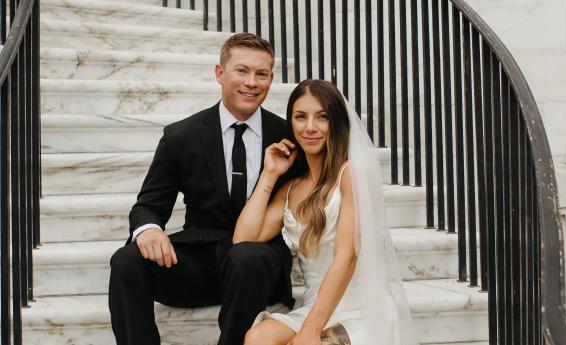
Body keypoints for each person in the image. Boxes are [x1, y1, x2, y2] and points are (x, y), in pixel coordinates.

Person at [108, 33, 294, 345]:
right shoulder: (181, 135)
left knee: (246, 258)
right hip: (201, 259)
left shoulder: (287, 135)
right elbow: (148, 206)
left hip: (259, 266)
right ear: (220, 73)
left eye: (261, 74)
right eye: (242, 71)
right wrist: (149, 230)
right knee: (125, 261)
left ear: (271, 79)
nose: (252, 82)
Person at [234, 79, 416, 344]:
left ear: (337, 123)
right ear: (291, 123)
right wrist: (270, 174)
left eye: (322, 117)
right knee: (257, 337)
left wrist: (310, 330)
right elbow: (243, 239)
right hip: (313, 305)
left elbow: (346, 258)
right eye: (300, 117)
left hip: (360, 309)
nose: (310, 127)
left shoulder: (351, 174)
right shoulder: (291, 189)